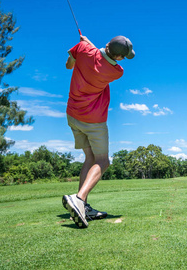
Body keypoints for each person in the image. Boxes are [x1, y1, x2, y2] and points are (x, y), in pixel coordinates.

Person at [62, 34, 135, 228]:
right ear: (119, 57)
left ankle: (82, 207)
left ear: (107, 44)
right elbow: (105, 60)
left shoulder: (83, 50)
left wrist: (83, 45)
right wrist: (89, 45)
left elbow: (70, 65)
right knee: (103, 161)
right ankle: (79, 198)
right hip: (94, 120)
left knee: (89, 158)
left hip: (73, 115)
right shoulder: (117, 71)